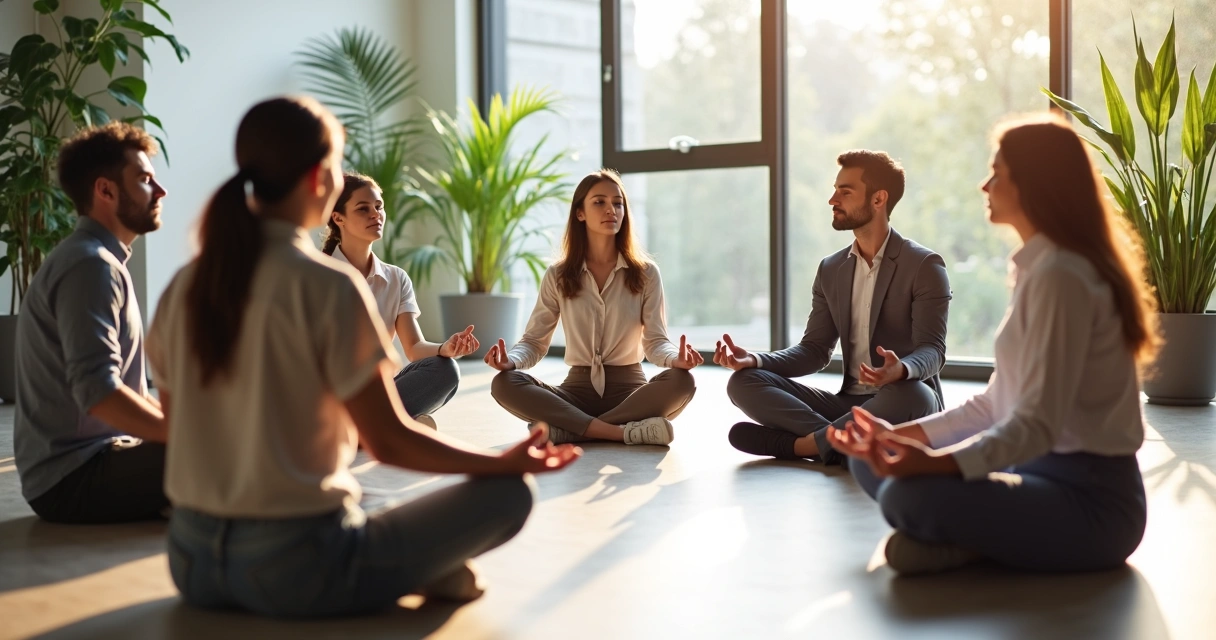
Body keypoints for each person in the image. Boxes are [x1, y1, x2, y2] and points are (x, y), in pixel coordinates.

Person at [148, 96, 580, 617]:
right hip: (292, 568)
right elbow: (390, 441)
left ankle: (410, 560)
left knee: (364, 497)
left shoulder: (182, 286)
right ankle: (416, 565)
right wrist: (500, 462)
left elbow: (179, 431)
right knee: (510, 494)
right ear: (319, 180)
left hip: (190, 561)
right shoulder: (327, 285)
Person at [828, 113, 1160, 576]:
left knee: (907, 493)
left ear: (1033, 184)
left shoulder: (1063, 276)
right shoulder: (1036, 268)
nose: (985, 186)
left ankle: (972, 538)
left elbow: (1037, 425)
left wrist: (938, 466)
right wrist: (897, 438)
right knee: (868, 459)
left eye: (997, 173)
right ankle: (978, 540)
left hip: (1093, 504)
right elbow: (993, 406)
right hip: (1031, 471)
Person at [718, 150, 951, 464]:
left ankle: (800, 447)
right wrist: (756, 359)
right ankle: (844, 447)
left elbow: (933, 351)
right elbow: (814, 351)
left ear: (878, 199)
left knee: (914, 392)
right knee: (744, 382)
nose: (832, 199)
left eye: (845, 191)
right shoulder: (831, 268)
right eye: (834, 189)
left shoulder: (924, 264)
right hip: (848, 406)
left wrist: (902, 369)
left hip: (903, 402)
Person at [14, 122, 170, 524]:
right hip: (72, 479)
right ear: (105, 190)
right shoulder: (90, 266)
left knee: (226, 429)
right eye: (145, 179)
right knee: (235, 444)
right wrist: (188, 437)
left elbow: (125, 389)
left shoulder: (99, 260)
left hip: (94, 462)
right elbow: (98, 392)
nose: (160, 191)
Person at [485, 169, 703, 446]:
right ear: (580, 213)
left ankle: (571, 429)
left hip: (630, 393)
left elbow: (656, 341)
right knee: (504, 383)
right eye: (599, 202)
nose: (611, 209)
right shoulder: (558, 275)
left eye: (618, 203)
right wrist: (510, 361)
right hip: (575, 393)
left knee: (682, 381)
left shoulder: (646, 273)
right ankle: (619, 432)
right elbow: (534, 341)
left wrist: (676, 359)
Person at [321, 173, 477, 428]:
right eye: (363, 209)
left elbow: (414, 346)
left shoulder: (396, 278)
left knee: (445, 370)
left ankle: (373, 429)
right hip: (332, 398)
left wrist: (444, 348)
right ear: (338, 218)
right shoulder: (319, 276)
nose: (376, 214)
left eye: (379, 206)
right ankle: (394, 426)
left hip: (378, 393)